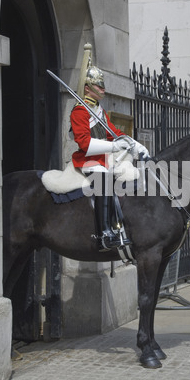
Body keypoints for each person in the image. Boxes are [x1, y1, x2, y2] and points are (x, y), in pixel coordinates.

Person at [70, 64, 149, 250]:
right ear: (87, 88)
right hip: (87, 159)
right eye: (98, 85)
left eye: (103, 84)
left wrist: (136, 146)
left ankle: (119, 227)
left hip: (102, 160)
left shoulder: (98, 111)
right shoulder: (79, 111)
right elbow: (84, 143)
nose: (103, 88)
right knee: (104, 178)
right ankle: (103, 234)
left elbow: (115, 132)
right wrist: (114, 146)